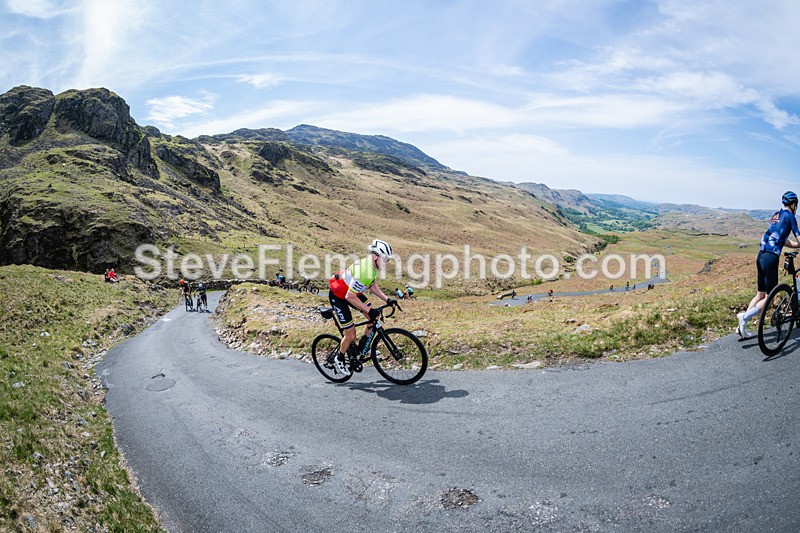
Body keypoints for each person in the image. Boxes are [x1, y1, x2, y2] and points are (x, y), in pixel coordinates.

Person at [328, 239, 397, 376]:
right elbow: (349, 297)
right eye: (385, 259)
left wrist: (387, 299)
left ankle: (361, 348)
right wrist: (369, 310)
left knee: (374, 318)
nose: (386, 263)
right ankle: (340, 358)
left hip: (352, 293)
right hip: (339, 296)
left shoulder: (372, 267)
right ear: (376, 256)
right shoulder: (365, 270)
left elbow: (371, 285)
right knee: (351, 334)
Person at [737, 191, 799, 339]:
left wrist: (796, 246)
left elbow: (781, 238)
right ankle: (744, 317)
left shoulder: (776, 216)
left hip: (761, 255)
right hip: (771, 258)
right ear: (793, 204)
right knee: (769, 297)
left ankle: (741, 327)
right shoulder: (791, 217)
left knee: (760, 294)